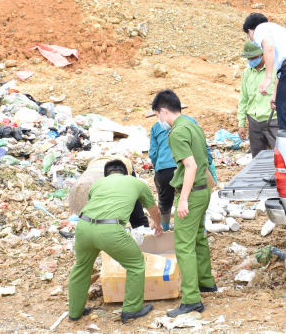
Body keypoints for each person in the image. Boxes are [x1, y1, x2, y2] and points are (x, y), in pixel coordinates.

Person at [68, 159, 163, 324]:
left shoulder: (97, 184)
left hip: (83, 227)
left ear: (106, 174)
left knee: (82, 267)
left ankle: (75, 312)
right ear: (126, 172)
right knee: (136, 264)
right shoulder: (136, 182)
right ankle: (131, 310)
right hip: (110, 230)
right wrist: (158, 224)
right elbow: (153, 210)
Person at [152, 89, 216, 317]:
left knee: (183, 245)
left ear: (163, 111)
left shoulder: (177, 132)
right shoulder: (192, 125)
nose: (159, 120)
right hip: (203, 190)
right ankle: (206, 281)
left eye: (158, 115)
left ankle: (191, 299)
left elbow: (190, 165)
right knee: (198, 236)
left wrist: (183, 199)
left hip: (192, 192)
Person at [148, 111, 217, 231]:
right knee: (192, 201)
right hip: (186, 169)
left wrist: (158, 168)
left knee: (164, 202)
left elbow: (153, 154)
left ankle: (163, 231)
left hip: (164, 170)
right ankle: (200, 231)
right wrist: (208, 163)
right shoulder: (191, 123)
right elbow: (202, 146)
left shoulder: (155, 127)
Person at [67, 155, 149, 230]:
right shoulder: (81, 188)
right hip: (97, 165)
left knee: (135, 212)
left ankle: (145, 234)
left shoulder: (110, 183)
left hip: (121, 166)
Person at [237, 40, 278, 157]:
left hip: (272, 120)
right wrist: (241, 123)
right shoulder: (247, 72)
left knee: (280, 156)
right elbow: (243, 98)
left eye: (253, 58)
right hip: (253, 121)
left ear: (263, 54)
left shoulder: (274, 70)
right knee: (257, 158)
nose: (251, 61)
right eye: (248, 59)